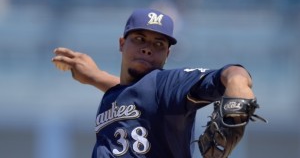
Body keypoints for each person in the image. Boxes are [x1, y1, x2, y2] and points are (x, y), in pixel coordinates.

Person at [52, 8, 265, 158]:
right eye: (139, 39)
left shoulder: (167, 85)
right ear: (122, 43)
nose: (147, 48)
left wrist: (238, 82)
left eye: (158, 43)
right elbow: (131, 93)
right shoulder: (119, 93)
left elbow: (232, 73)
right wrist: (94, 76)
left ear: (167, 54)